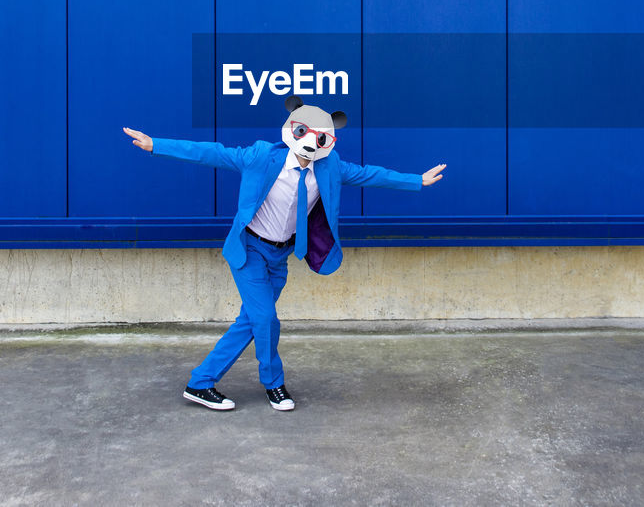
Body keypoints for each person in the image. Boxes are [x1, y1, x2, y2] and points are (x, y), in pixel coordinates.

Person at [123, 95, 445, 411]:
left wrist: (417, 180)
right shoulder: (261, 156)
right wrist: (157, 145)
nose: (311, 143)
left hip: (281, 257)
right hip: (249, 250)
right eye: (305, 132)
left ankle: (200, 382)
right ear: (293, 128)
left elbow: (369, 174)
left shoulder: (329, 167)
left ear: (328, 139)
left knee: (252, 322)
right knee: (265, 319)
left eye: (320, 136)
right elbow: (212, 153)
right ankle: (273, 384)